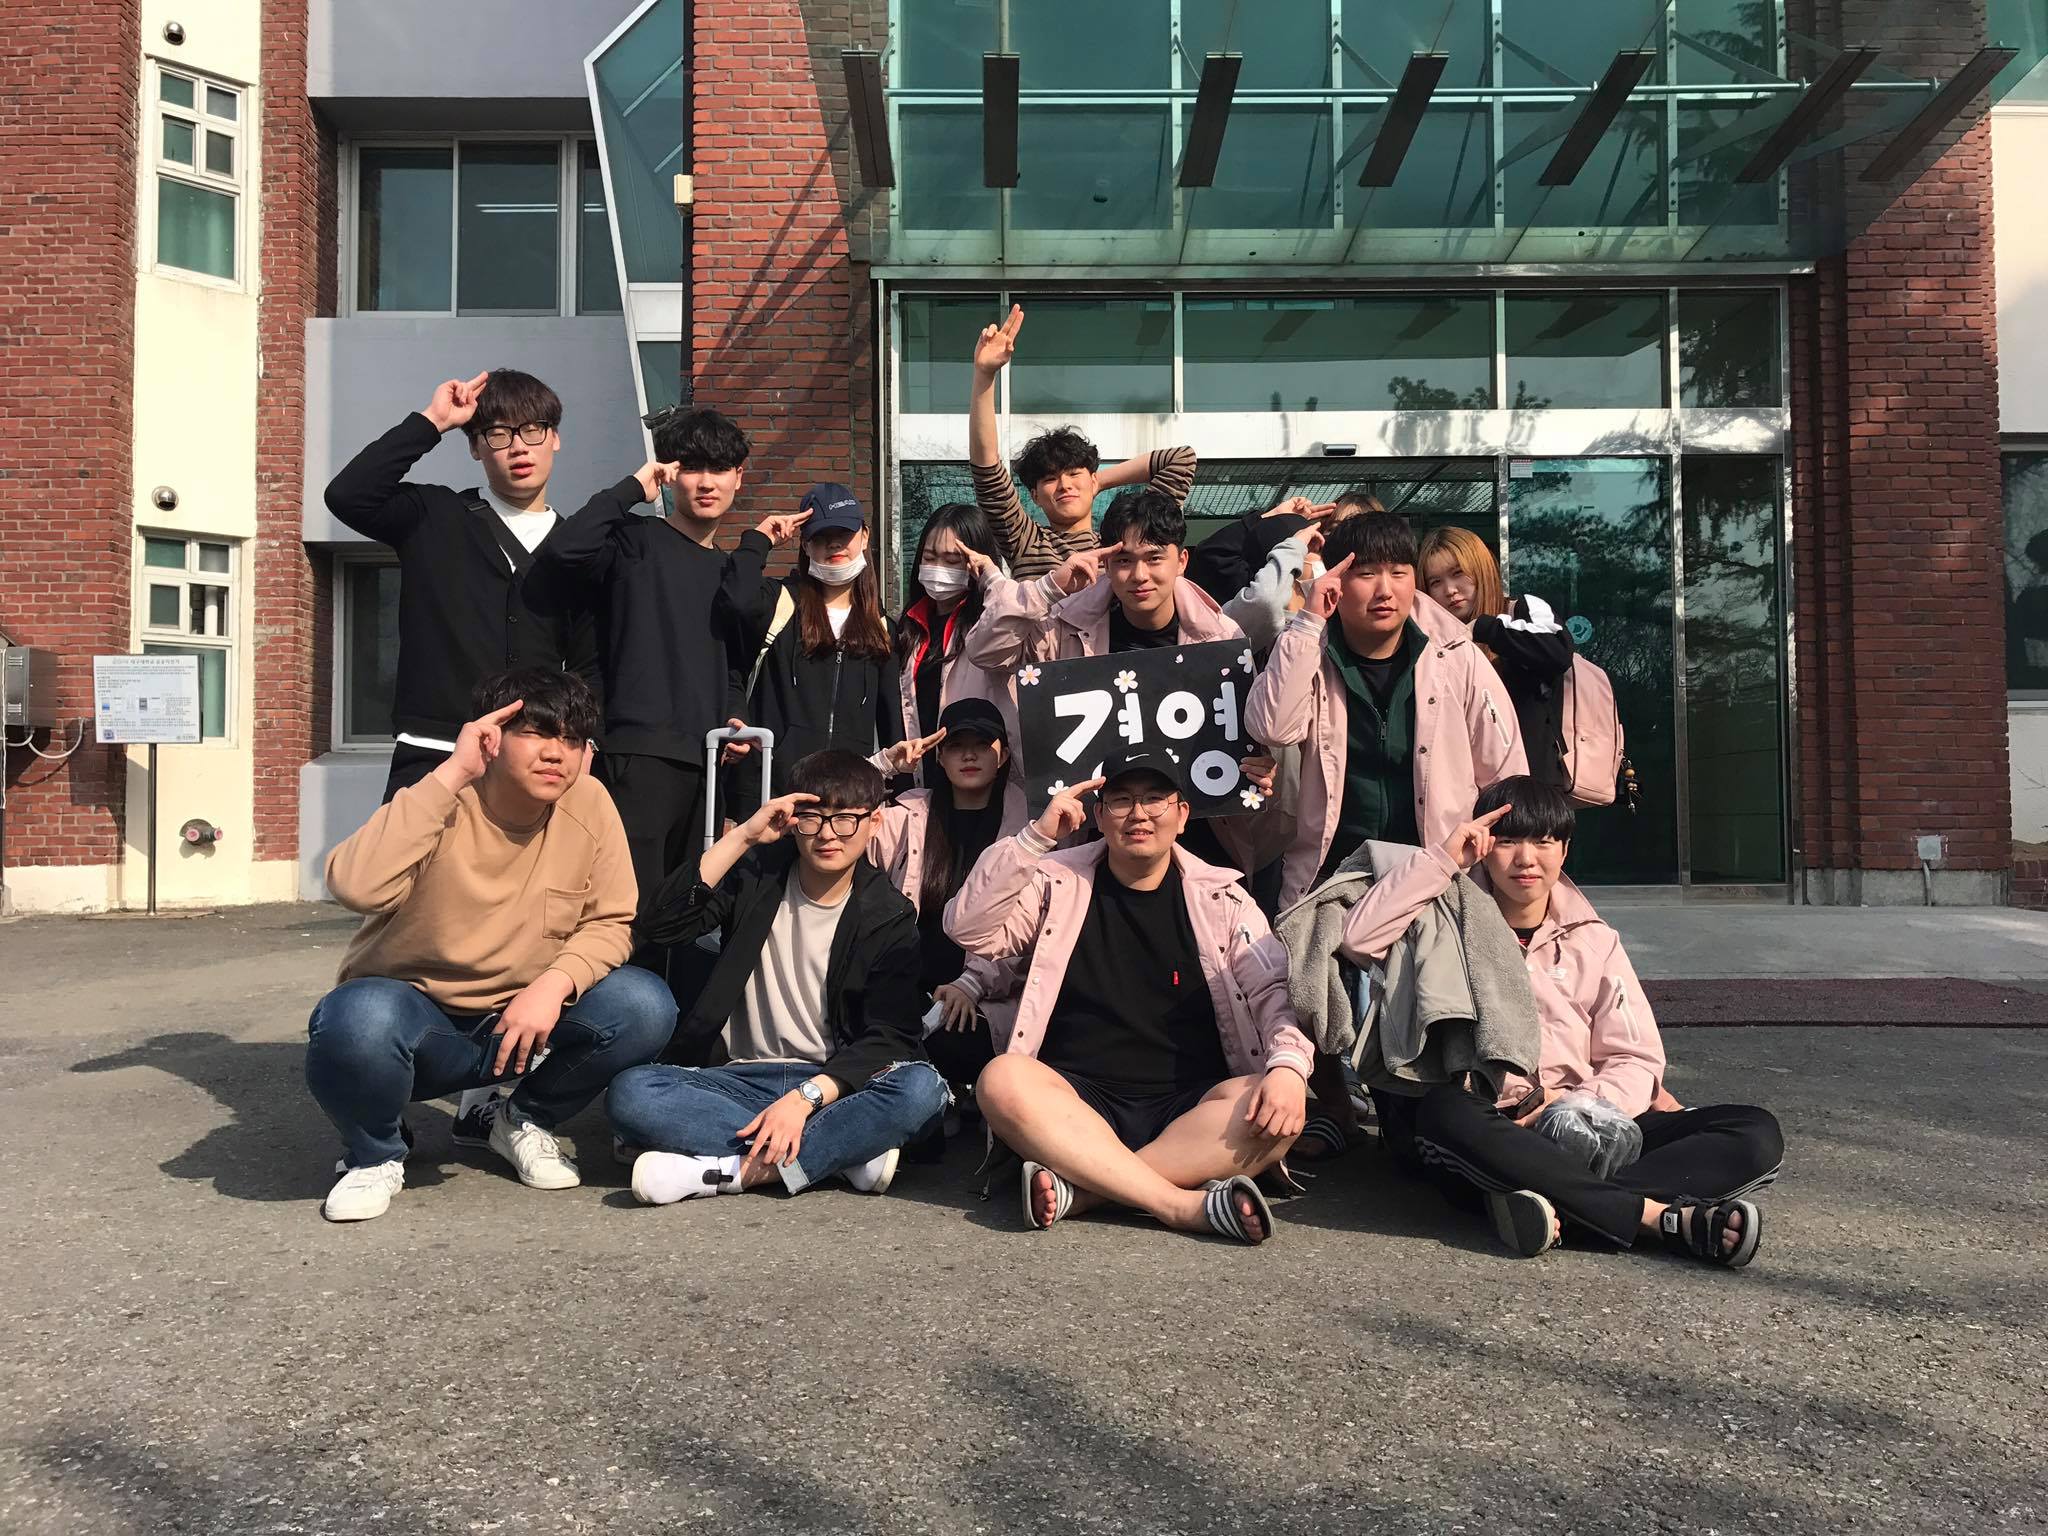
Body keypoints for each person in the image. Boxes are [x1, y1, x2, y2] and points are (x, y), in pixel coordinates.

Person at [1338, 777, 1783, 1266]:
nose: (1526, 859)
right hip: (1492, 1124)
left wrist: (1577, 1106)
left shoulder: (1594, 940)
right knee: (1447, 1113)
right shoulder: (1442, 917)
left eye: (1543, 841)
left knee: (1754, 1131)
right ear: (1483, 846)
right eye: (1508, 841)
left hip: (1588, 1122)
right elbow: (1358, 939)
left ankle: (1557, 1207)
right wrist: (1444, 860)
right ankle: (1660, 1218)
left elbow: (1634, 1056)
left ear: (1565, 850)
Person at [307, 669, 674, 1222]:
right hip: (419, 1022)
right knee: (356, 1019)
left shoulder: (590, 801)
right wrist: (453, 771)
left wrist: (553, 986)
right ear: (490, 738)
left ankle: (521, 1118)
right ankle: (375, 1154)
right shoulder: (442, 797)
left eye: (572, 739)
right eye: (536, 733)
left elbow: (611, 921)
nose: (556, 753)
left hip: (523, 1025)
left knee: (644, 1003)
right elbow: (355, 886)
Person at [943, 751, 1313, 1245]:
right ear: (1099, 817)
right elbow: (968, 929)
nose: (1139, 814)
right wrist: (1034, 839)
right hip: (1076, 1100)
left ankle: (1087, 1190)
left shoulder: (1224, 898)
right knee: (1002, 1079)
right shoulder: (1055, 881)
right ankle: (1179, 1205)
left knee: (1278, 1108)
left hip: (1189, 1105)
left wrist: (1289, 1067)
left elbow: (1271, 994)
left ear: (1183, 815)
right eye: (1121, 801)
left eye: (1155, 799)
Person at [607, 751, 948, 1202]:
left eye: (845, 819)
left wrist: (805, 1099)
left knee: (921, 1089)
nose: (827, 834)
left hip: (833, 1084)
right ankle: (843, 1153)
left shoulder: (889, 914)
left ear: (875, 822)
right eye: (812, 818)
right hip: (739, 1080)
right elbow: (662, 924)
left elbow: (890, 1035)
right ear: (792, 820)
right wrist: (744, 836)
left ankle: (733, 1172)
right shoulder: (756, 876)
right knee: (632, 1092)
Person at [532, 405, 750, 961]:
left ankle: (667, 1013)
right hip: (636, 755)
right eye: (691, 467)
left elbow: (730, 664)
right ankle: (617, 1008)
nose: (706, 482)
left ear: (738, 477)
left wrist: (735, 715)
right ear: (671, 474)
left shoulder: (727, 569)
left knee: (684, 917)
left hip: (707, 764)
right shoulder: (632, 540)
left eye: (719, 469)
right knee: (627, 911)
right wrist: (632, 488)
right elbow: (563, 550)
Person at [324, 368, 596, 801]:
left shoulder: (577, 545)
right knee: (409, 846)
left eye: (533, 430)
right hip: (435, 749)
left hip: (534, 757)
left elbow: (588, 661)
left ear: (555, 438)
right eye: (498, 434)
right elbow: (347, 495)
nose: (519, 447)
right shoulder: (433, 515)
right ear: (474, 447)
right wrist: (433, 421)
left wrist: (585, 740)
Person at [1245, 510, 1526, 911]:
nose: (1385, 590)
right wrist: (1307, 622)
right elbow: (1272, 727)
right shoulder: (1310, 649)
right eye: (1366, 574)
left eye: (1398, 573)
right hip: (1329, 882)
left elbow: (1504, 775)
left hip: (1438, 880)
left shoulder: (1456, 654)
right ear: (1336, 580)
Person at [867, 697, 1029, 1096]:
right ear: (938, 756)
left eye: (983, 744)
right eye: (956, 745)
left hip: (985, 994)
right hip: (906, 983)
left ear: (1003, 754)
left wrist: (972, 982)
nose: (969, 755)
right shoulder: (910, 813)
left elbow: (1031, 924)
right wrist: (884, 765)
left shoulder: (1030, 823)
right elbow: (828, 812)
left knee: (954, 1043)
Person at [969, 304, 1199, 580]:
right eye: (1050, 479)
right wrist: (984, 375)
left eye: (1074, 474)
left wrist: (1097, 483)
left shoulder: (1123, 540)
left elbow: (1180, 460)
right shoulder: (1026, 541)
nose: (1064, 485)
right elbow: (988, 473)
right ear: (1035, 496)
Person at [716, 483, 904, 812]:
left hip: (844, 807)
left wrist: (898, 801)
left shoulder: (883, 628)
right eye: (821, 535)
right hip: (770, 797)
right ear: (804, 544)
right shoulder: (779, 602)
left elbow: (893, 726)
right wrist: (760, 539)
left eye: (844, 533)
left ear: (864, 536)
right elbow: (734, 603)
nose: (834, 543)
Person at [1419, 526, 1576, 789]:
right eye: (1435, 582)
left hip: (1534, 790)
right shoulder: (1428, 640)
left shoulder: (1520, 610)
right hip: (1465, 791)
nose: (1450, 590)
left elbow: (1559, 651)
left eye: (1458, 573)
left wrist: (1486, 629)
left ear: (1480, 568)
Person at [893, 502, 1018, 774]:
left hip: (980, 778)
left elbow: (1017, 609)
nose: (938, 568)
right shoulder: (908, 627)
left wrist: (992, 580)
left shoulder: (991, 627)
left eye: (952, 561)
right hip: (920, 777)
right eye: (929, 557)